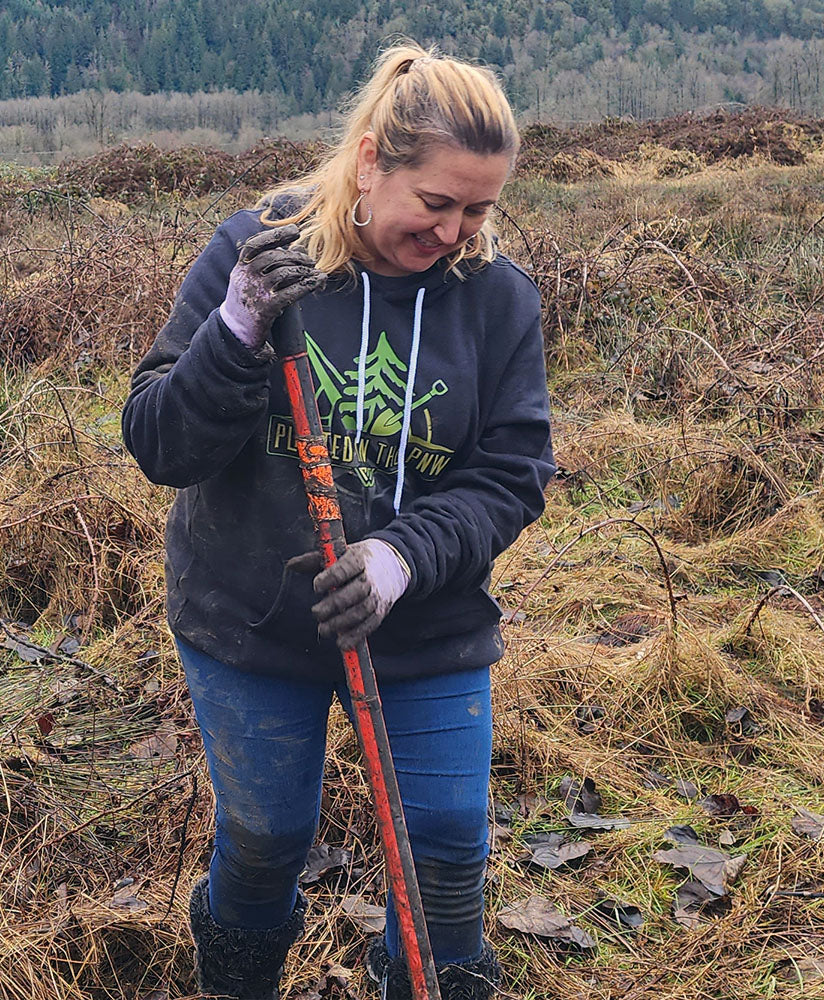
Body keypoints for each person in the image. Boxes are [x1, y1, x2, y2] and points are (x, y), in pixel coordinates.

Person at [122, 43, 555, 1000]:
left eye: (479, 208)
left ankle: (426, 980)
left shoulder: (496, 300)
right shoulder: (260, 252)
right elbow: (160, 445)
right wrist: (234, 332)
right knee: (268, 838)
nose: (455, 231)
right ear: (369, 161)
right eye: (435, 203)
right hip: (252, 623)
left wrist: (401, 559)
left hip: (427, 628)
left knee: (445, 844)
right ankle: (237, 980)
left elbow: (513, 471)